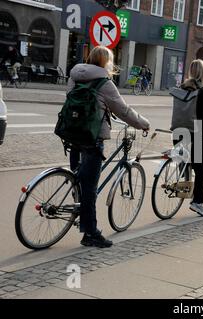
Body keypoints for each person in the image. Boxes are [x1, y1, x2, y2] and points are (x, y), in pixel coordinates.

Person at [67, 46, 150, 248]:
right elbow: (123, 110)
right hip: (92, 137)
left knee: (79, 179)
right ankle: (91, 233)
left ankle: (78, 206)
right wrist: (143, 124)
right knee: (90, 188)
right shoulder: (105, 82)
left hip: (72, 132)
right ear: (106, 62)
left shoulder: (75, 76)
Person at [175, 59, 203, 217]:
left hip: (179, 130)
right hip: (199, 133)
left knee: (186, 160)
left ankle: (183, 185)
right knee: (202, 166)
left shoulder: (183, 88)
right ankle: (197, 201)